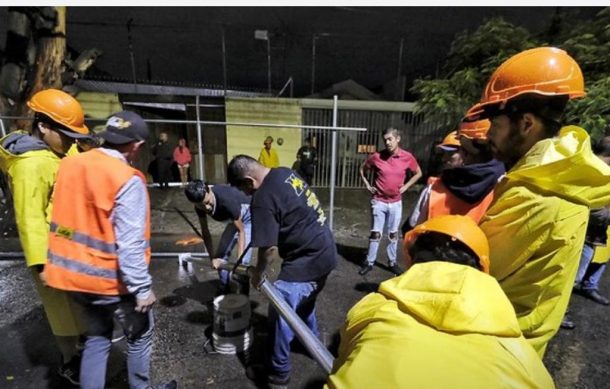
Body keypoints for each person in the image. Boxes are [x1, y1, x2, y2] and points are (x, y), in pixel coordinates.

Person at [465, 47, 610, 356]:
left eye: (495, 123)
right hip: (521, 346)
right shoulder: (560, 177)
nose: (487, 134)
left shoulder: (535, 196)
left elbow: (470, 276)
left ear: (526, 123)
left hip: (491, 350)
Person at [326, 215, 554, 389]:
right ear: (481, 268)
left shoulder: (372, 307)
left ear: (412, 260)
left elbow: (344, 355)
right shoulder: (525, 361)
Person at [43, 111, 175, 389]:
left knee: (97, 338)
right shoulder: (126, 179)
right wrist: (141, 288)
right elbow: (129, 242)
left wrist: (51, 264)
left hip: (72, 277)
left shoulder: (71, 165)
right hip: (110, 281)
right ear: (136, 146)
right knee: (140, 335)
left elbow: (60, 218)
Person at [0, 88, 91, 385]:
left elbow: (77, 158)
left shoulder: (60, 148)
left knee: (78, 302)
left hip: (70, 239)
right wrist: (41, 264)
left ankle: (85, 344)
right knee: (61, 310)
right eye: (66, 133)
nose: (72, 140)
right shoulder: (31, 165)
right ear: (43, 126)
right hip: (50, 250)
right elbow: (29, 218)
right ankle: (70, 362)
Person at [227, 154, 336, 386]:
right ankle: (309, 342)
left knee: (280, 311)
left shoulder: (263, 198)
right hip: (326, 251)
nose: (247, 195)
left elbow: (269, 250)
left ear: (249, 181)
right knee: (305, 302)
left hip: (307, 260)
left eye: (245, 190)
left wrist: (258, 272)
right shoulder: (284, 173)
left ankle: (279, 373)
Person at [405, 118, 505, 230]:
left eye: (450, 153)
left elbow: (411, 230)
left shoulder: (434, 189)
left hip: (436, 246)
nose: (444, 159)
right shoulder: (504, 187)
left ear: (463, 152)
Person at [358, 127, 422, 276]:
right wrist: (368, 185)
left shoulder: (407, 157)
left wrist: (406, 186)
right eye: (385, 140)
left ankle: (392, 262)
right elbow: (362, 169)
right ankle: (369, 262)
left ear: (397, 139)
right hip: (378, 201)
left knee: (393, 234)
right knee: (376, 234)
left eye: (390, 139)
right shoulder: (376, 157)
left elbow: (418, 173)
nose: (387, 142)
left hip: (395, 203)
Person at [184, 179, 252, 294]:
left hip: (249, 217)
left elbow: (241, 231)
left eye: (208, 202)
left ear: (209, 190)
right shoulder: (199, 206)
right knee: (220, 256)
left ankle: (244, 295)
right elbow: (205, 232)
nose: (207, 208)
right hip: (234, 219)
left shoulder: (226, 200)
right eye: (201, 205)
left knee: (243, 265)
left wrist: (238, 264)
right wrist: (212, 258)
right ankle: (224, 288)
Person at [573, 137, 610, 305]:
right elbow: (593, 208)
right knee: (572, 275)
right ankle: (559, 311)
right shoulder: (596, 171)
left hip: (595, 233)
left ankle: (589, 286)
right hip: (582, 232)